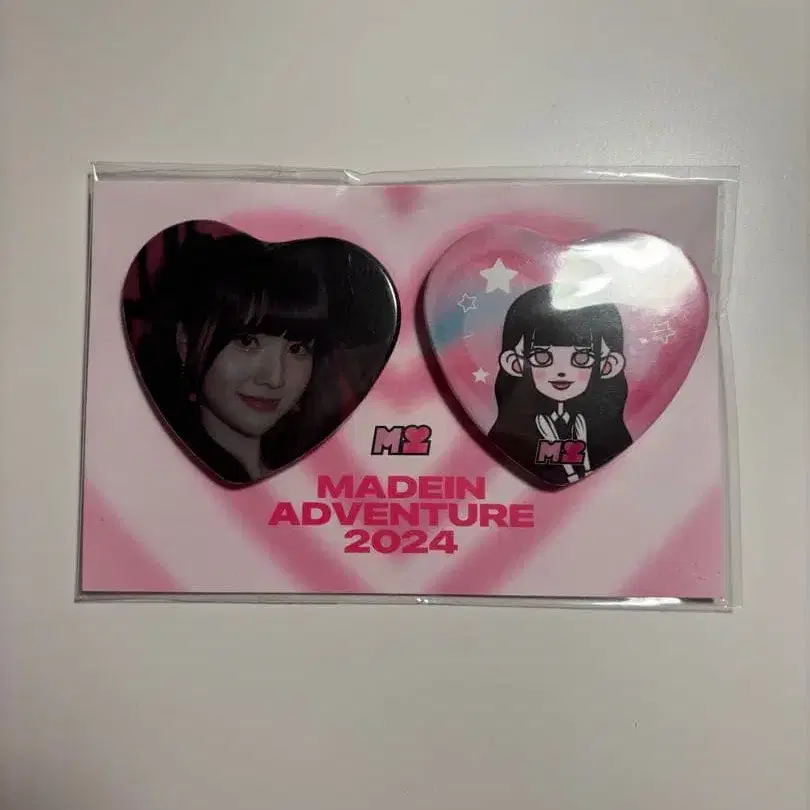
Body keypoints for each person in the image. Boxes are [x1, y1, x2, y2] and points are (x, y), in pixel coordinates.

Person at [128, 226, 394, 486]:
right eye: (247, 342)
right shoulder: (160, 478)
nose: (275, 378)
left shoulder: (322, 472)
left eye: (297, 349)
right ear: (185, 344)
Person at [488, 283, 632, 486]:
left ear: (608, 365)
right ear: (514, 363)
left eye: (581, 358)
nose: (561, 371)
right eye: (542, 357)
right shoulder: (511, 433)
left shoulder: (608, 433)